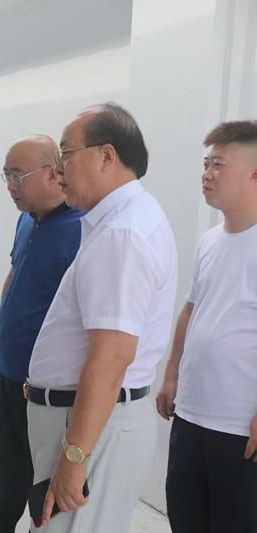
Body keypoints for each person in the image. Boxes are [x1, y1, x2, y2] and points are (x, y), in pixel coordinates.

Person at [25, 103, 178, 533]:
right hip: (92, 422)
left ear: (106, 155)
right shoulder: (125, 220)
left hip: (90, 426)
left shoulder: (122, 234)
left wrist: (75, 456)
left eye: (65, 154)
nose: (57, 169)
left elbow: (112, 357)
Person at [0, 135, 83, 533]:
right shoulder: (27, 219)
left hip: (48, 380)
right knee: (9, 450)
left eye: (17, 176)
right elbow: (15, 276)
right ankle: (1, 519)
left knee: (43, 465)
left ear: (53, 173)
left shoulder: (82, 230)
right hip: (12, 365)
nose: (10, 186)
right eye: (6, 176)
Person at [156, 120, 257, 532]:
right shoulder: (210, 241)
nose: (206, 174)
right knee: (185, 518)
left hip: (240, 428)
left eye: (219, 165)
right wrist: (171, 375)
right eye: (205, 164)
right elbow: (190, 311)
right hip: (192, 414)